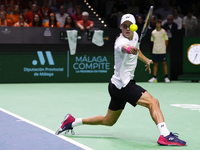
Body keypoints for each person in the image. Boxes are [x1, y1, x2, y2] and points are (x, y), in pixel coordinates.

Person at [55, 14, 187, 146]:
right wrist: (130, 49)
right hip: (124, 85)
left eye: (130, 26)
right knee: (153, 102)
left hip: (115, 85)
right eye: (124, 26)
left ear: (134, 27)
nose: (127, 28)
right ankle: (165, 135)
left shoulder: (135, 36)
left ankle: (72, 122)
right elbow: (126, 48)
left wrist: (146, 60)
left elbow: (137, 49)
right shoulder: (120, 41)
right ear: (120, 27)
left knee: (108, 121)